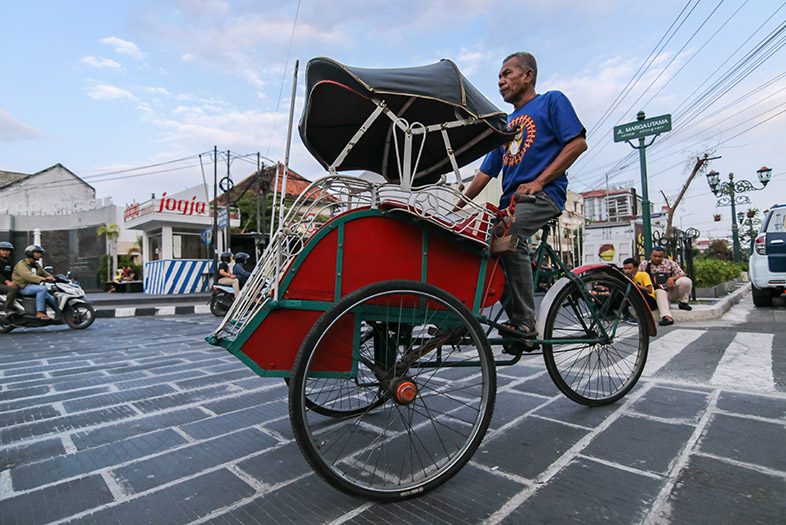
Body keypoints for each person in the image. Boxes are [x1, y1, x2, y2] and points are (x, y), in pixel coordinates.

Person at [458, 51, 587, 338]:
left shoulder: (551, 101)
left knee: (508, 234)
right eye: (499, 77)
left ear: (527, 76)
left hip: (544, 195)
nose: (501, 81)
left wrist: (540, 181)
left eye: (507, 74)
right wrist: (459, 203)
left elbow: (577, 143)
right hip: (512, 202)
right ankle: (491, 319)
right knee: (474, 240)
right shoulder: (504, 125)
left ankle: (525, 321)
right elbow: (485, 172)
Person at [639, 246, 693, 326]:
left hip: (670, 290)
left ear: (664, 256)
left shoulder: (670, 263)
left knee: (686, 281)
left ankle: (683, 302)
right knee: (660, 292)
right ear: (650, 256)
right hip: (656, 292)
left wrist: (672, 278)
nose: (657, 258)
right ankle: (667, 317)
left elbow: (682, 274)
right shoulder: (644, 265)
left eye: (660, 256)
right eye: (655, 256)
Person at [12, 244, 58, 320]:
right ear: (30, 253)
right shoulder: (22, 264)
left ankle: (60, 314)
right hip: (22, 287)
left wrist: (54, 277)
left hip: (32, 287)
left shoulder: (36, 265)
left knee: (50, 297)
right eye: (37, 253)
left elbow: (45, 273)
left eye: (40, 253)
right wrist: (43, 279)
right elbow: (27, 276)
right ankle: (40, 312)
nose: (40, 254)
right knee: (42, 289)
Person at [622, 257, 659, 324]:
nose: (627, 271)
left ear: (636, 268)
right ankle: (626, 316)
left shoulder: (643, 275)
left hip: (649, 300)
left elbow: (649, 290)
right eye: (625, 269)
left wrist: (635, 285)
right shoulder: (625, 277)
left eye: (629, 268)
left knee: (636, 290)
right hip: (635, 300)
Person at [0, 241, 20, 316]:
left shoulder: (9, 261)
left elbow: (14, 273)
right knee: (13, 289)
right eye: (3, 250)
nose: (5, 252)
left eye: (8, 250)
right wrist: (7, 282)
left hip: (6, 283)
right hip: (1, 283)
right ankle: (8, 309)